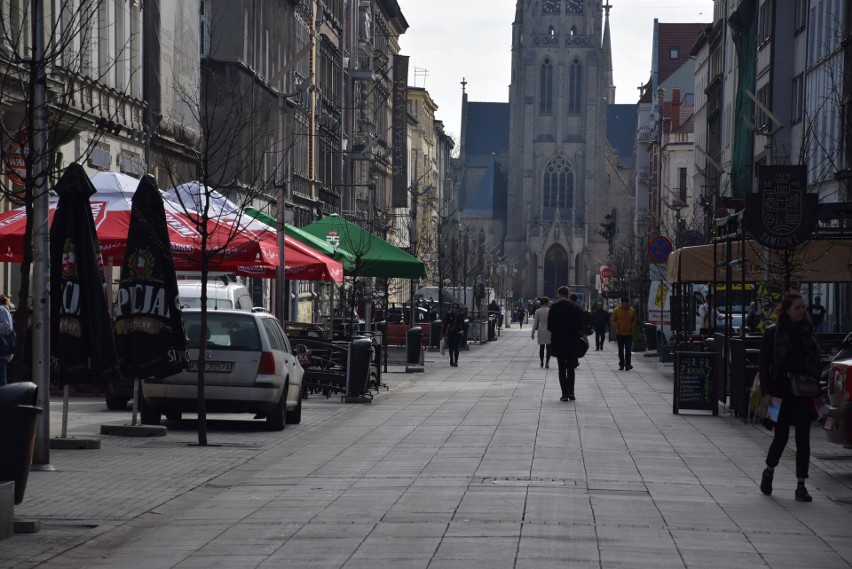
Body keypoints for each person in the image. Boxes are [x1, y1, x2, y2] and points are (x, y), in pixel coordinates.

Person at [758, 290, 820, 502]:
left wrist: (817, 391)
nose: (801, 311)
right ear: (785, 311)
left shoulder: (808, 332)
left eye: (803, 307)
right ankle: (769, 471)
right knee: (780, 436)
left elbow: (815, 364)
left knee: (804, 439)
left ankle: (801, 485)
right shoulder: (773, 333)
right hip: (778, 393)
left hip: (803, 393)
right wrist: (766, 393)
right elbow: (764, 365)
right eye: (797, 308)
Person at [547, 286, 583, 401]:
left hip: (558, 341)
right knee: (571, 368)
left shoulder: (554, 307)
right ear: (568, 295)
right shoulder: (575, 308)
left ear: (558, 294)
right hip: (572, 341)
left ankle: (564, 394)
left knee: (561, 368)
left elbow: (550, 326)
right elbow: (580, 325)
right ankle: (571, 392)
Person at [610, 297, 636, 371]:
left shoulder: (631, 310)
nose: (626, 304)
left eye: (627, 303)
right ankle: (621, 364)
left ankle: (628, 364)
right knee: (620, 350)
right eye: (624, 303)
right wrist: (617, 326)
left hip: (628, 333)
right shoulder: (616, 310)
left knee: (628, 350)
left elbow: (634, 320)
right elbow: (612, 320)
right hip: (620, 333)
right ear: (622, 303)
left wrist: (632, 325)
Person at [442, 302, 465, 367]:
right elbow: (445, 324)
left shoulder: (461, 315)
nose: (455, 309)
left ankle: (456, 361)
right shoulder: (449, 314)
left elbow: (463, 324)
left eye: (456, 308)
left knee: (456, 347)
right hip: (451, 332)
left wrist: (463, 331)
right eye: (454, 307)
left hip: (458, 333)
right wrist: (443, 333)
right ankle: (451, 359)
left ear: (458, 308)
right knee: (451, 347)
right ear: (452, 308)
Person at [531, 297, 551, 368]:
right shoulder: (550, 311)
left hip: (541, 329)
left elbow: (535, 322)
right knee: (549, 348)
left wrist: (533, 332)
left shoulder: (537, 311)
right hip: (549, 330)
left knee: (541, 347)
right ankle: (547, 362)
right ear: (546, 303)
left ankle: (542, 362)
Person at [0, 294, 13, 386]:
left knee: (1, 382)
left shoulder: (1, 309)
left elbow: (8, 327)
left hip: (2, 351)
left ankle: (4, 399)